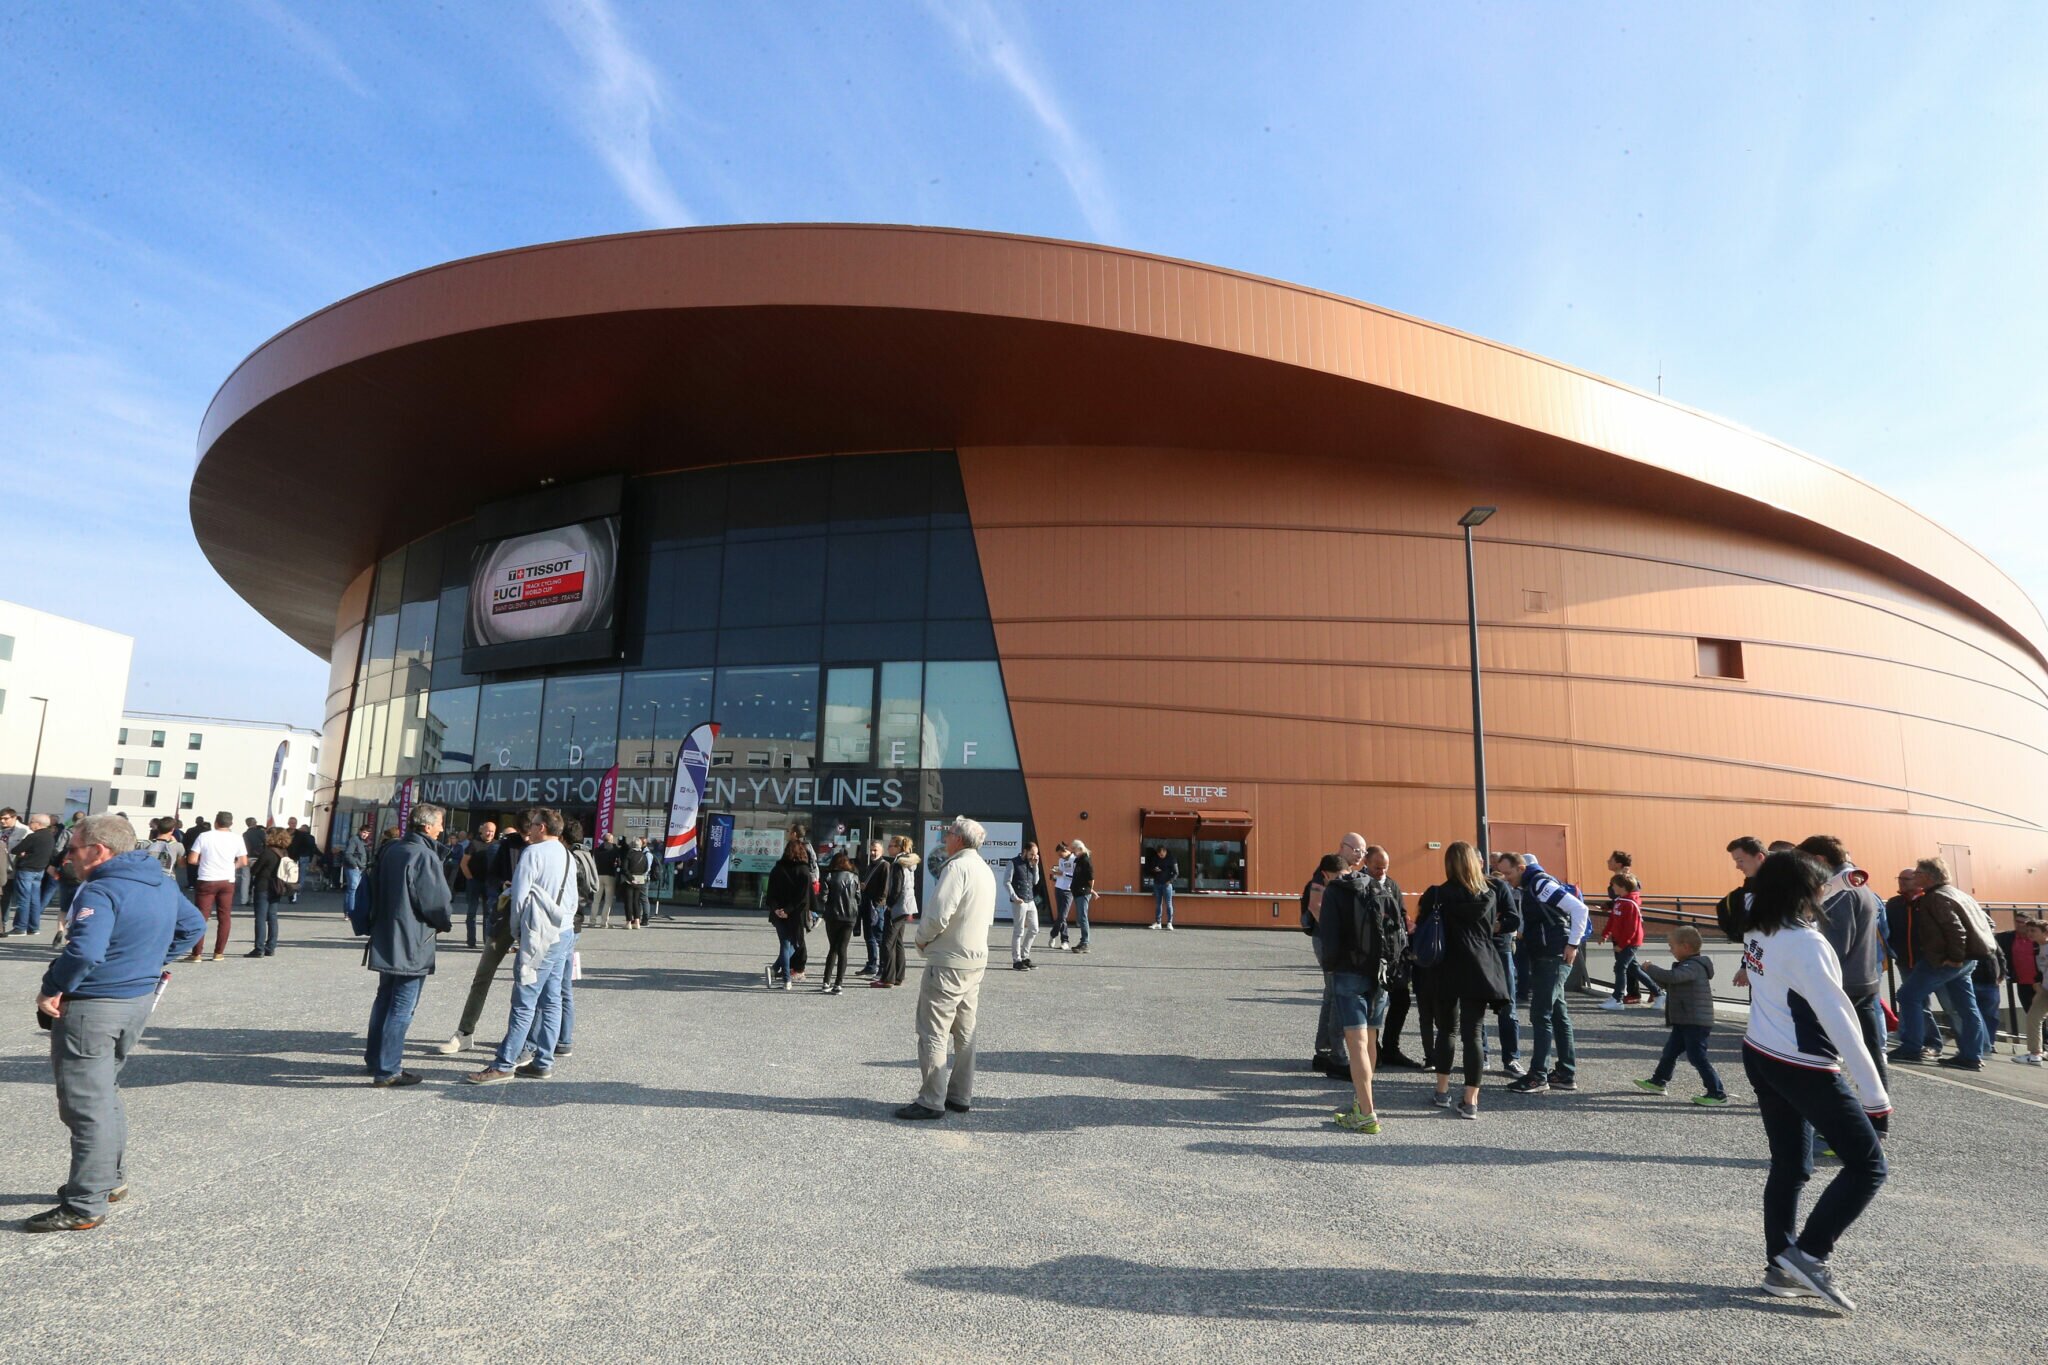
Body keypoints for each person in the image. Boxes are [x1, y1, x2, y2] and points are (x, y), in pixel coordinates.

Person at [27, 814, 205, 1232]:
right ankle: (109, 1181)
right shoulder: (158, 879)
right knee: (104, 1091)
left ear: (98, 850)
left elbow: (85, 952)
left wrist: (51, 985)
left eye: (73, 849)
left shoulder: (103, 888)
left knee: (85, 1104)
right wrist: (149, 963)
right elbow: (193, 925)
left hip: (95, 1005)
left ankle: (84, 1203)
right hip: (137, 1000)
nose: (68, 856)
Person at [1739, 850, 1891, 1314]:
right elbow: (1841, 1019)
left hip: (1760, 1051)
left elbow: (1807, 891)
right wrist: (1875, 1094)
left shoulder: (1756, 922)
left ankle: (1780, 1267)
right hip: (1803, 1063)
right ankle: (1809, 1255)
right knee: (1868, 1166)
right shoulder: (1807, 943)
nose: (1827, 890)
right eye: (1820, 885)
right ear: (1805, 892)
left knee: (1790, 1165)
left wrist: (1839, 879)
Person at [464, 809, 576, 1084]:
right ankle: (543, 1061)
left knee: (524, 1000)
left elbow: (519, 898)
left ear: (543, 828)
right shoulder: (565, 854)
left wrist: (517, 933)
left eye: (534, 824)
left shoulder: (533, 854)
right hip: (564, 931)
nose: (529, 829)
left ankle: (504, 1064)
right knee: (551, 1000)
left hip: (539, 933)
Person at [896, 816, 997, 1120]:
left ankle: (931, 1099)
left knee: (933, 1030)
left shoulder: (956, 867)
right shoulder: (983, 868)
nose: (945, 836)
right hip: (975, 959)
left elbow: (939, 913)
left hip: (949, 959)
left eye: (949, 832)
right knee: (965, 1032)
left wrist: (921, 940)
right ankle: (959, 1095)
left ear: (959, 839)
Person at [1418, 842, 1512, 1120]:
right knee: (1473, 1033)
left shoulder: (1437, 894)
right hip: (1480, 966)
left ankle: (1442, 1091)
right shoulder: (1490, 893)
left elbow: (1422, 923)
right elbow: (1503, 923)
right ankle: (1470, 1100)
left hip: (1446, 966)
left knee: (1446, 1030)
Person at [362, 803, 453, 1087]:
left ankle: (376, 1059)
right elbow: (436, 903)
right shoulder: (423, 855)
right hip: (412, 939)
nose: (441, 829)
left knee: (384, 998)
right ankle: (388, 1069)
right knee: (401, 1005)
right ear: (427, 826)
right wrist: (443, 922)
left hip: (387, 934)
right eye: (439, 824)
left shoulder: (392, 849)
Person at [1796, 836, 1887, 1089]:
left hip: (1842, 984)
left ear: (1819, 860)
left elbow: (1835, 946)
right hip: (1864, 979)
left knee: (1822, 1054)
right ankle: (1876, 1118)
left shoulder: (1838, 890)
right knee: (1868, 1054)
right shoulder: (1858, 883)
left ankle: (1833, 1115)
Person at [1315, 832, 1388, 1133]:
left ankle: (1367, 1112)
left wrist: (1332, 967)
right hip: (1379, 973)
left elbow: (1328, 935)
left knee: (1355, 1043)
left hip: (1348, 972)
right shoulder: (1380, 886)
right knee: (1370, 1041)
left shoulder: (1336, 891)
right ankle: (1363, 1102)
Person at [1503, 852, 1591, 1094]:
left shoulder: (1540, 883)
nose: (1507, 878)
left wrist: (1573, 944)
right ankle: (1564, 1072)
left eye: (1509, 873)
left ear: (1521, 868)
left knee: (1541, 1014)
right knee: (1558, 1014)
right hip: (1551, 953)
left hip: (1552, 955)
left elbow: (1579, 909)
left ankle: (1538, 1076)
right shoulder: (1534, 884)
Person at [437, 825, 528, 1055]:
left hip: (533, 921)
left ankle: (522, 1040)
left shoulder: (548, 849)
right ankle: (464, 1032)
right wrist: (502, 884)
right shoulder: (505, 847)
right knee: (483, 974)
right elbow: (491, 877)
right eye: (527, 830)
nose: (530, 835)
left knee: (527, 982)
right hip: (505, 915)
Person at [1888, 860, 1982, 1070]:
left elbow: (1956, 930)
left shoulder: (1936, 897)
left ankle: (1912, 1048)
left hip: (1944, 959)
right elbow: (1982, 923)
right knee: (1965, 1006)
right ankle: (1971, 1055)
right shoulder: (1958, 894)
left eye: (1918, 873)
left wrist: (1956, 957)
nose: (1914, 877)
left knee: (1908, 996)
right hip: (1964, 959)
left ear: (1928, 877)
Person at [1633, 925, 1726, 1104]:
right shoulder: (1688, 965)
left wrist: (1651, 968)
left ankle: (1717, 1092)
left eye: (1672, 946)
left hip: (1696, 1022)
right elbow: (1672, 982)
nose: (1670, 950)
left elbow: (1673, 978)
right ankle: (1659, 1081)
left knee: (1697, 1057)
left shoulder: (1694, 966)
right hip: (1685, 1020)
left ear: (1685, 947)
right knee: (1670, 1052)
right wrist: (1655, 977)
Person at [1364, 847, 1424, 1070]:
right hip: (1373, 955)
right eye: (1376, 867)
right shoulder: (1360, 884)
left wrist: (1407, 924)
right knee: (1375, 1004)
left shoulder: (1392, 885)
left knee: (1402, 1000)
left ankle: (1391, 1047)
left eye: (1384, 867)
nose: (1380, 871)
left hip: (1395, 954)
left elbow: (1402, 913)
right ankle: (1374, 1050)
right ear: (1367, 863)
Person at [1300, 852, 1351, 1076]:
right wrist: (1334, 934)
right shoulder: (1320, 880)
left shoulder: (1334, 874)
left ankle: (1324, 1052)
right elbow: (1314, 906)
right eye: (1357, 850)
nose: (1360, 853)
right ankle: (1335, 1056)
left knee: (1331, 995)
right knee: (1336, 994)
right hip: (1326, 941)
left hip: (1324, 940)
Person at [185, 811, 246, 963]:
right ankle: (219, 952)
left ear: (215, 822)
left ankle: (197, 953)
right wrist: (232, 867)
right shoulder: (237, 838)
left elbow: (192, 859)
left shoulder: (204, 836)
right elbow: (243, 861)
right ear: (231, 824)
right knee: (224, 916)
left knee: (202, 916)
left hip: (207, 878)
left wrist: (204, 863)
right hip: (227, 879)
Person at [1598, 872, 1657, 1010]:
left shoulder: (1629, 904)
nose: (1611, 887)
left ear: (1622, 887)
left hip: (1629, 942)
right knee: (1633, 969)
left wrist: (1622, 945)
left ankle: (1617, 999)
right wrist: (1605, 934)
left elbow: (1631, 928)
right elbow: (1613, 920)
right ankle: (1658, 992)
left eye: (1613, 885)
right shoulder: (1620, 901)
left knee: (1620, 968)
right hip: (1622, 941)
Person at [763, 838, 812, 990]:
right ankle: (786, 978)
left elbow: (770, 894)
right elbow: (803, 897)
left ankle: (776, 969)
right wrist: (788, 910)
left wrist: (777, 909)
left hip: (778, 913)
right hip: (795, 914)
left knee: (788, 943)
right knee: (792, 943)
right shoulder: (804, 871)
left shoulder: (777, 869)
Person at [872, 836, 919, 988]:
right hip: (907, 906)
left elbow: (897, 888)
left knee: (887, 943)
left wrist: (890, 905)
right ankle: (899, 976)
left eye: (891, 846)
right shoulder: (908, 863)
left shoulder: (898, 864)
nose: (889, 848)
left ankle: (888, 978)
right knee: (898, 942)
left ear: (899, 848)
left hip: (898, 907)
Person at [4, 813, 57, 938]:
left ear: (38, 824)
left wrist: (24, 853)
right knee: (35, 900)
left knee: (23, 899)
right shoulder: (50, 837)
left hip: (26, 870)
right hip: (39, 870)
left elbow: (15, 850)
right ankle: (33, 927)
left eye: (32, 821)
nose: (29, 824)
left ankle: (20, 927)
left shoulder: (33, 836)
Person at [818, 851, 862, 995]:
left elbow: (823, 897)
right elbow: (858, 897)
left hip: (833, 916)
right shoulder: (854, 877)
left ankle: (826, 981)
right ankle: (839, 984)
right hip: (849, 917)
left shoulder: (829, 876)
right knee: (843, 949)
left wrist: (823, 910)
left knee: (833, 949)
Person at [244, 827, 290, 958]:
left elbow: (255, 870)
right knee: (272, 917)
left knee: (260, 918)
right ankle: (271, 946)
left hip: (263, 886)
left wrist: (252, 865)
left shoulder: (267, 853)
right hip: (277, 887)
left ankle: (259, 948)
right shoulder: (284, 853)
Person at [1717, 836, 1766, 944]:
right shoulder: (1748, 888)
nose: (1737, 866)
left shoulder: (1784, 884)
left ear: (1759, 857)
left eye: (1740, 861)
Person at [457, 820, 498, 949]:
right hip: (475, 882)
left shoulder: (497, 844)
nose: (489, 833)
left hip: (489, 883)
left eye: (492, 831)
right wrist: (470, 878)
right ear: (482, 830)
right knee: (471, 912)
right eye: (487, 830)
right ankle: (471, 940)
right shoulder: (473, 844)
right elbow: (464, 863)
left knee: (488, 913)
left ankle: (486, 941)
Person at [2012, 919, 2048, 1065]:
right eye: (2028, 930)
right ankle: (2035, 1054)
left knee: (2034, 1018)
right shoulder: (2036, 948)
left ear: (2045, 933)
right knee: (2033, 1018)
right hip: (2044, 989)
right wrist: (2038, 984)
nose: (2029, 934)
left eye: (2034, 931)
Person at [859, 839, 890, 976]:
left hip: (877, 906)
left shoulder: (885, 865)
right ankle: (871, 964)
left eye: (875, 850)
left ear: (881, 851)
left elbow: (885, 888)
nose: (872, 852)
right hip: (866, 904)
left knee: (879, 936)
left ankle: (883, 967)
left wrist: (878, 904)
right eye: (871, 849)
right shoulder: (870, 865)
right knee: (869, 936)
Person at [1009, 841, 1041, 969]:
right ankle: (1016, 960)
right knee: (1019, 931)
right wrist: (1014, 897)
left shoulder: (1031, 864)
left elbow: (1036, 881)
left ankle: (1025, 956)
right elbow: (1006, 882)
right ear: (1025, 851)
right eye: (1032, 853)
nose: (1034, 856)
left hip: (1031, 900)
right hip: (1019, 901)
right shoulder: (1013, 862)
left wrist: (1036, 866)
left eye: (1036, 854)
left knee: (1034, 929)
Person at [339, 824, 374, 924]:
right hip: (353, 868)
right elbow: (348, 854)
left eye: (367, 833)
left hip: (360, 868)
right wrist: (355, 865)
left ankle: (349, 912)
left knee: (353, 890)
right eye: (364, 832)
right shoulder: (354, 840)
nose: (365, 835)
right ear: (360, 831)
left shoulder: (363, 842)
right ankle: (350, 912)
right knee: (352, 889)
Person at [1068, 839, 1095, 954]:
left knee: (1083, 918)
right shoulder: (1078, 860)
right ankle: (1083, 941)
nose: (1072, 851)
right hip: (1078, 892)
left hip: (1083, 892)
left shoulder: (1086, 861)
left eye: (1074, 849)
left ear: (1079, 849)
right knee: (1081, 917)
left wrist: (1089, 890)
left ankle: (1085, 943)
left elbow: (1091, 878)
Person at [620, 836, 653, 928]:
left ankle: (628, 922)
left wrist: (631, 877)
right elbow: (646, 868)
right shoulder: (644, 855)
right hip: (640, 880)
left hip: (629, 880)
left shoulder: (629, 854)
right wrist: (640, 876)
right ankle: (637, 921)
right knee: (636, 901)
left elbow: (624, 868)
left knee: (629, 901)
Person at [593, 833, 622, 929]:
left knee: (596, 900)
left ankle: (592, 921)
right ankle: (604, 922)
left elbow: (594, 863)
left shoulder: (597, 850)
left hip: (598, 875)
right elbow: (619, 862)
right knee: (608, 901)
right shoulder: (615, 850)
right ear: (611, 840)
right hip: (610, 876)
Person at [1050, 842, 1075, 949]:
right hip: (1058, 888)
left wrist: (1063, 874)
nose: (1060, 857)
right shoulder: (1061, 860)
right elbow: (1060, 872)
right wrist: (1055, 872)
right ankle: (1064, 941)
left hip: (1069, 890)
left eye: (1061, 854)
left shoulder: (1075, 860)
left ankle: (1053, 934)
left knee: (1062, 916)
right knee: (1061, 917)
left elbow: (1075, 876)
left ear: (1065, 851)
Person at [1146, 844, 1178, 930]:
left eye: (1162, 855)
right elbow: (1150, 869)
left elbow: (1176, 873)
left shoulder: (1171, 859)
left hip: (1167, 884)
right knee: (1158, 904)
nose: (1160, 856)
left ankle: (1169, 923)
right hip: (1157, 883)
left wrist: (1170, 881)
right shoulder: (1155, 858)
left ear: (1165, 851)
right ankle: (1158, 922)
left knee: (1168, 904)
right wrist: (1154, 870)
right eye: (1159, 855)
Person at [239, 817, 264, 907]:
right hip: (257, 858)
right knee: (256, 879)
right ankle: (253, 899)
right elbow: (266, 843)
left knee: (245, 879)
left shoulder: (245, 834)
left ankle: (243, 900)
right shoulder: (260, 833)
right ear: (254, 823)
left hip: (246, 857)